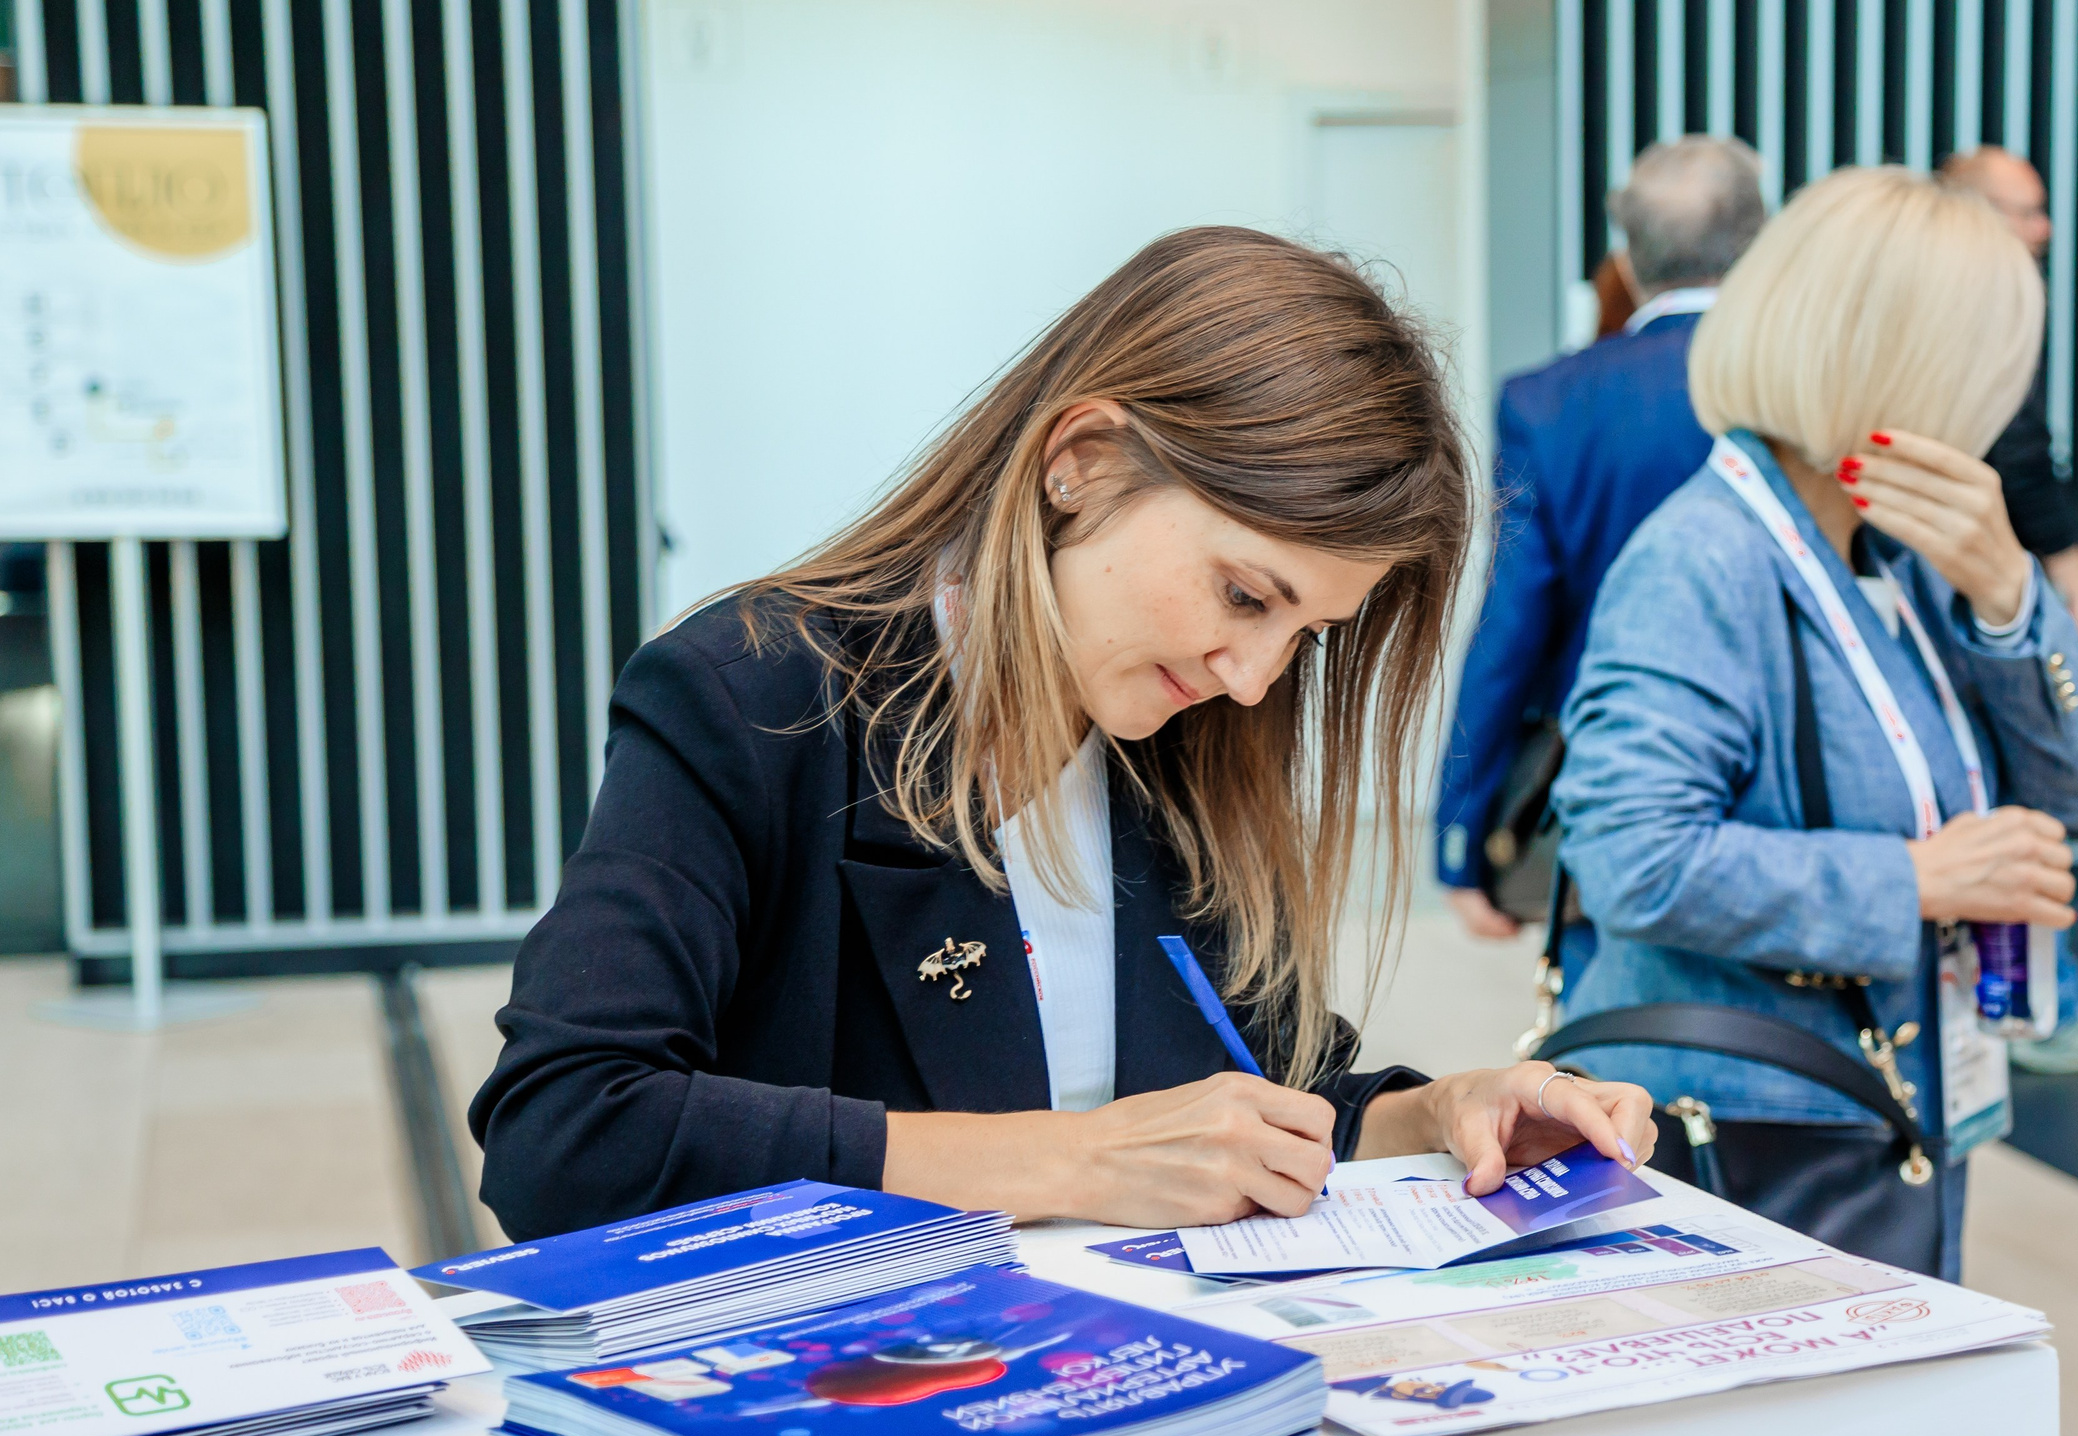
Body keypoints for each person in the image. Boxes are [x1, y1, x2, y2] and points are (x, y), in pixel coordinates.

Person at [470, 228, 1656, 1240]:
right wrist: (1070, 1159)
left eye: (1308, 633)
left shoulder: (1178, 746)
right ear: (1080, 463)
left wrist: (1450, 1112)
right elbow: (565, 1135)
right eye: (1244, 595)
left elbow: (1263, 1098)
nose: (1253, 680)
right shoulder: (754, 695)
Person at [1547, 168, 2078, 1277]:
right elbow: (1633, 859)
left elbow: (2074, 789)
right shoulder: (1703, 559)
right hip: (1755, 1127)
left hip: (1885, 1098)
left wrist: (2009, 596)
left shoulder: (1907, 548)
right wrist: (1915, 880)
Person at [1434, 136, 1768, 939]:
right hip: (1792, 795)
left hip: (1607, 793)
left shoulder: (1550, 402)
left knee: (1610, 1038)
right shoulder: (1814, 384)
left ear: (1626, 253)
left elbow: (1512, 622)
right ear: (1763, 241)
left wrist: (1462, 834)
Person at [1939, 145, 2078, 1076]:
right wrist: (2073, 586)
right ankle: (2048, 1003)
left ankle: (2027, 1000)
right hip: (1976, 580)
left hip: (1967, 580)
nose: (2042, 230)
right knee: (2024, 792)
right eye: (2023, 210)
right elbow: (2024, 457)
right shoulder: (1984, 308)